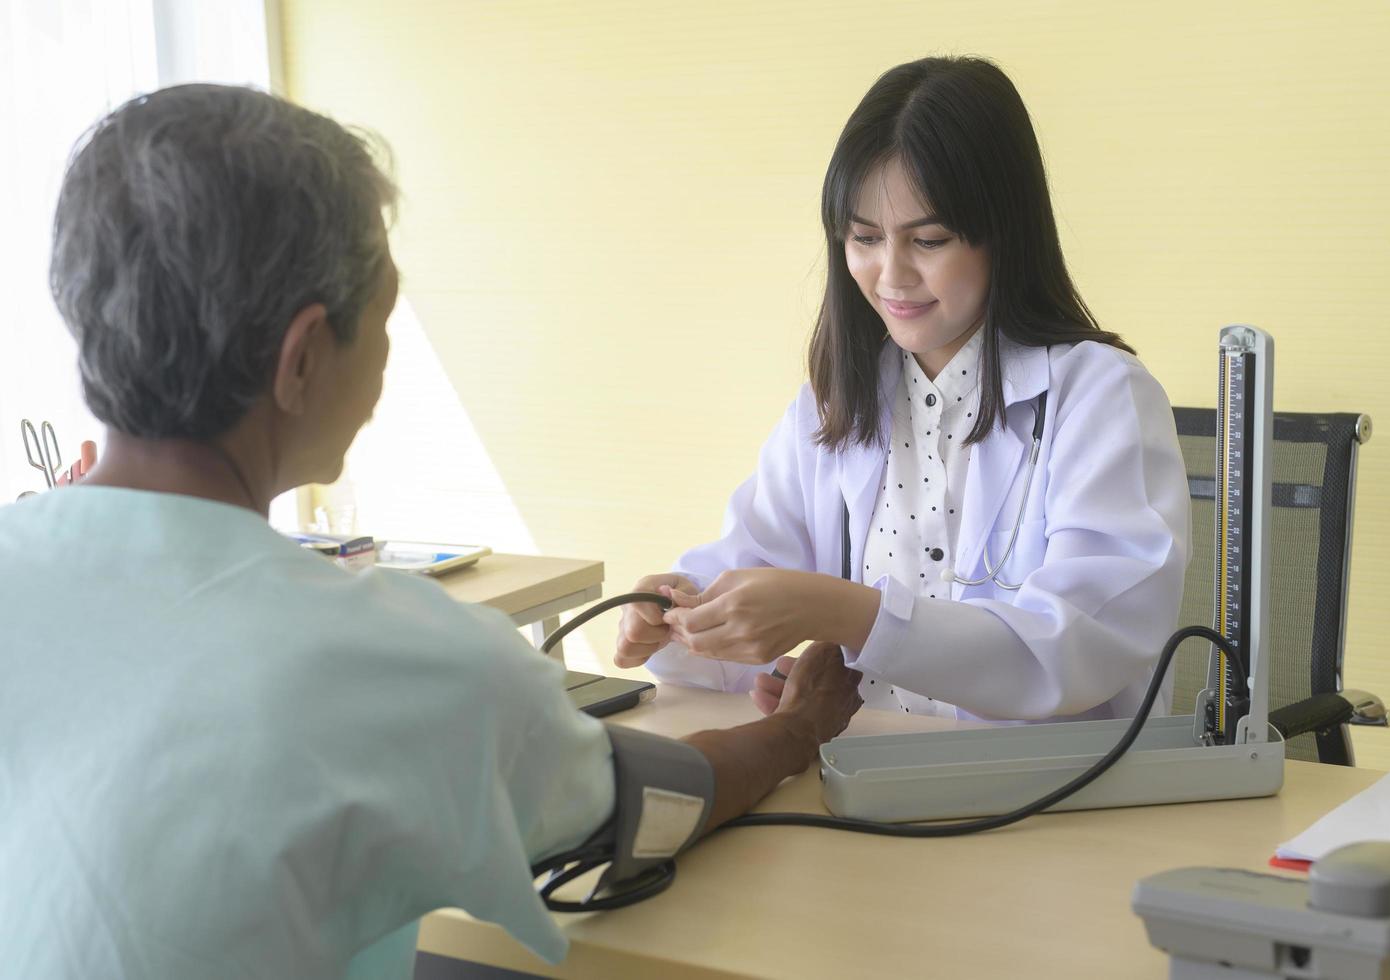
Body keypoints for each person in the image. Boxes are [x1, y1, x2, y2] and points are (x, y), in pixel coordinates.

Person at [0, 84, 862, 979]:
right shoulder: (392, 655)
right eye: (382, 316)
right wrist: (798, 731)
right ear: (301, 359)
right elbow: (653, 805)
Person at [617, 56, 1190, 724]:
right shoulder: (837, 400)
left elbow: (1075, 652)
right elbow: (745, 579)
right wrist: (678, 616)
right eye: (863, 238)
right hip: (863, 771)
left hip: (1046, 795)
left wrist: (842, 614)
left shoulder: (1098, 395)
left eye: (928, 240)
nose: (890, 275)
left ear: (1002, 234)